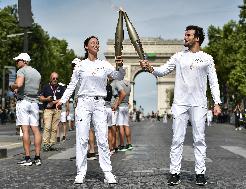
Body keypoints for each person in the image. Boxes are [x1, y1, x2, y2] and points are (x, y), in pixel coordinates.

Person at [140, 25, 221, 186]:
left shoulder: (207, 58)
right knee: (177, 139)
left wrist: (217, 102)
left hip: (199, 103)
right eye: (185, 35)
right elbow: (163, 71)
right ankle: (174, 172)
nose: (185, 37)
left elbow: (213, 81)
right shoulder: (178, 56)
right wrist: (150, 68)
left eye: (188, 35)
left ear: (197, 38)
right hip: (180, 103)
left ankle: (200, 173)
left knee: (199, 139)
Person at [55, 36, 125, 184]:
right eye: (92, 43)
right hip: (84, 104)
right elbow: (72, 85)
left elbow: (118, 76)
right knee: (82, 139)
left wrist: (120, 66)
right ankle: (80, 172)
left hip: (100, 104)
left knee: (102, 139)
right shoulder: (80, 65)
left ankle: (107, 172)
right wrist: (62, 100)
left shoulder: (104, 64)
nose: (96, 44)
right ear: (86, 47)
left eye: (97, 43)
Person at [9, 53, 42, 166]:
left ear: (24, 61)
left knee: (25, 130)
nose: (16, 62)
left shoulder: (21, 71)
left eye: (18, 60)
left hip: (24, 102)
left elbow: (19, 84)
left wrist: (12, 86)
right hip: (34, 103)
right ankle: (37, 158)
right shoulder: (37, 73)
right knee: (36, 130)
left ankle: (27, 158)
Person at [39, 72, 65, 151]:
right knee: (47, 127)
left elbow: (64, 98)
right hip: (48, 110)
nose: (55, 80)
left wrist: (53, 102)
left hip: (57, 110)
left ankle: (51, 144)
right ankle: (45, 144)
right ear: (50, 78)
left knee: (54, 128)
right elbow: (40, 97)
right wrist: (47, 99)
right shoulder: (46, 87)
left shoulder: (61, 87)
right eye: (53, 78)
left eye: (56, 78)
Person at [112, 79, 133, 151]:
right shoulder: (129, 84)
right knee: (126, 125)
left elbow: (118, 96)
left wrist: (117, 104)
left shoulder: (118, 83)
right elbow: (128, 94)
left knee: (120, 125)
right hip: (126, 106)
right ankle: (129, 144)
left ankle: (122, 145)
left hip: (120, 106)